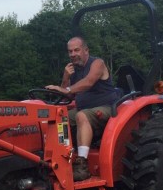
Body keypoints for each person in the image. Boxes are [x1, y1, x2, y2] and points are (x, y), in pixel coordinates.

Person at [46, 36, 119, 181]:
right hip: (83, 108)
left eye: (76, 50)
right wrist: (66, 77)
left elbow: (88, 82)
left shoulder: (97, 63)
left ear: (86, 50)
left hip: (107, 108)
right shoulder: (73, 70)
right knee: (58, 116)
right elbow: (67, 96)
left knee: (81, 116)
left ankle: (82, 165)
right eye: (70, 51)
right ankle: (58, 158)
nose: (73, 54)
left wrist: (66, 89)